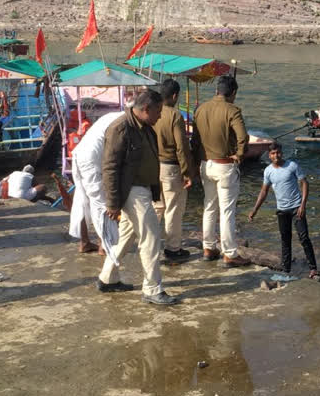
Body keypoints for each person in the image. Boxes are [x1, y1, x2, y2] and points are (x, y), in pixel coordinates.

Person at [100, 90, 178, 305]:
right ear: (146, 109)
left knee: (126, 236)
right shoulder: (121, 128)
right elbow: (110, 167)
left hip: (141, 188)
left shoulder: (144, 128)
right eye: (158, 111)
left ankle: (108, 277)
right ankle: (152, 288)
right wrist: (113, 203)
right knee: (150, 237)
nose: (160, 116)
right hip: (132, 191)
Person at [191, 75, 250, 267]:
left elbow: (195, 140)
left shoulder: (201, 109)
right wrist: (239, 155)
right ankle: (230, 253)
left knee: (209, 206)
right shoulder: (232, 110)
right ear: (232, 93)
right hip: (225, 165)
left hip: (205, 164)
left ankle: (208, 248)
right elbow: (243, 137)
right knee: (226, 212)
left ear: (217, 90)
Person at [248, 142, 319, 278]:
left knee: (304, 238)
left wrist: (303, 205)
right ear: (269, 155)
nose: (276, 156)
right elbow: (264, 191)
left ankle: (313, 268)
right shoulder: (268, 171)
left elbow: (304, 183)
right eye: (273, 153)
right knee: (285, 240)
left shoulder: (292, 166)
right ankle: (286, 270)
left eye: (278, 152)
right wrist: (255, 210)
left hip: (296, 208)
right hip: (282, 210)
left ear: (282, 153)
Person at [68, 111, 124, 254]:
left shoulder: (112, 116)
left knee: (82, 200)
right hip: (91, 160)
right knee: (100, 202)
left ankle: (85, 242)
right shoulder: (124, 122)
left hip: (79, 154)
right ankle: (105, 246)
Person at [154, 79, 194, 261]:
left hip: (154, 166)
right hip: (171, 167)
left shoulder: (152, 112)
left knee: (157, 208)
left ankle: (150, 244)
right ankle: (172, 248)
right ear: (175, 96)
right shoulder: (174, 116)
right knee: (173, 209)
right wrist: (187, 172)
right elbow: (181, 147)